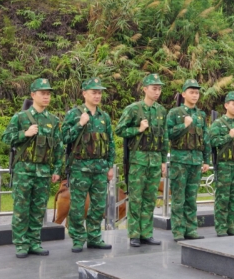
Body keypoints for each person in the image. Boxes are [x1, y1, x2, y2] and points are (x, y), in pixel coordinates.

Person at [1, 78, 63, 258]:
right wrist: (24, 134)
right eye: (43, 93)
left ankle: (35, 241)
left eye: (48, 94)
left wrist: (56, 170)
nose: (46, 97)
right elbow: (6, 138)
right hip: (23, 171)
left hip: (43, 172)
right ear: (33, 95)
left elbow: (58, 147)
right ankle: (21, 243)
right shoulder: (20, 117)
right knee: (21, 208)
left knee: (38, 209)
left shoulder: (52, 120)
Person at [62, 77, 115, 253]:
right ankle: (77, 238)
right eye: (94, 92)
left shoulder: (104, 117)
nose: (97, 95)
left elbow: (110, 143)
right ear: (84, 93)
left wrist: (109, 165)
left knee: (99, 205)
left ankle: (94, 237)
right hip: (80, 168)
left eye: (99, 92)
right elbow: (64, 138)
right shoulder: (74, 114)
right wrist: (80, 124)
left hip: (99, 168)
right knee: (77, 205)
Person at [115, 74, 168, 247]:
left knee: (150, 198)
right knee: (136, 198)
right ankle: (134, 234)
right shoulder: (133, 109)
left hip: (154, 159)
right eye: (154, 88)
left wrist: (162, 160)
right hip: (138, 159)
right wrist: (138, 129)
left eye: (159, 89)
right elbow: (120, 130)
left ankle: (147, 233)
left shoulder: (161, 111)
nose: (157, 92)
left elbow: (164, 137)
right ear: (144, 89)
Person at [166, 79, 211, 242]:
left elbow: (205, 138)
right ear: (184, 94)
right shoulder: (175, 113)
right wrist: (183, 126)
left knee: (191, 198)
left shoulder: (201, 115)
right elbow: (168, 134)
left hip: (196, 161)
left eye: (197, 92)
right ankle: (178, 230)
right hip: (180, 160)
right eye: (191, 92)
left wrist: (206, 160)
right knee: (179, 198)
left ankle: (191, 229)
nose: (195, 95)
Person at [210, 92, 234, 237]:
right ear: (226, 105)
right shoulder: (218, 124)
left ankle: (232, 226)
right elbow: (212, 142)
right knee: (222, 198)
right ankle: (221, 228)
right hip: (223, 166)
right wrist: (228, 136)